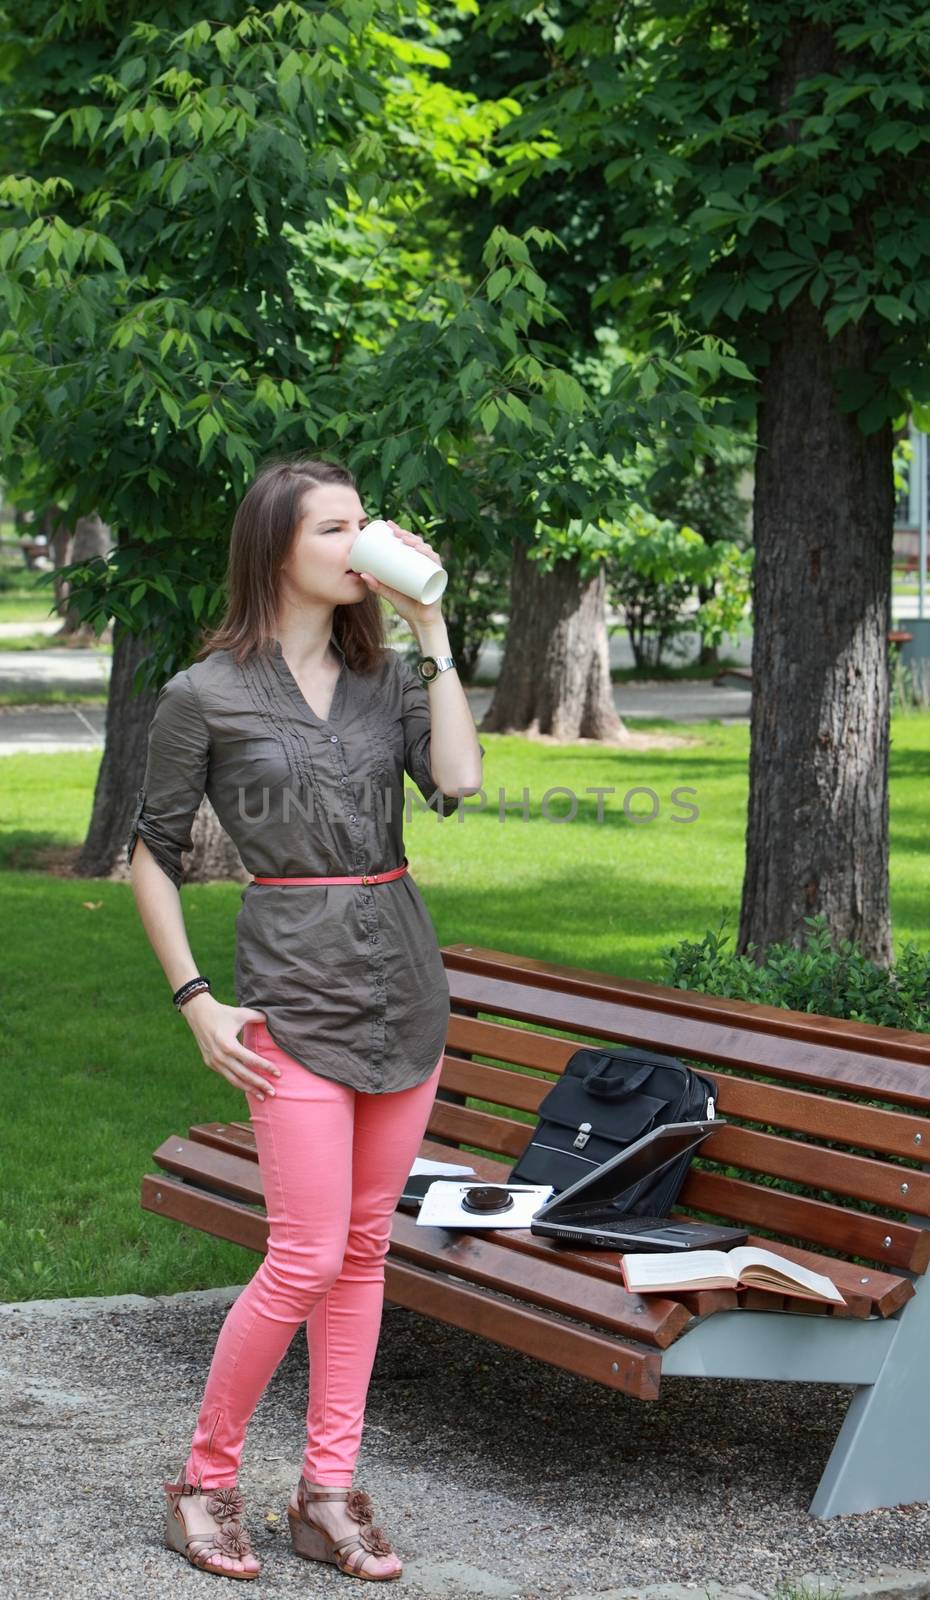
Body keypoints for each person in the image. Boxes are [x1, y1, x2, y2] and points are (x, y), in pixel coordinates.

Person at [128, 456, 485, 1581]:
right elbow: (152, 852)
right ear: (279, 546)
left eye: (364, 525)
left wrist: (431, 625)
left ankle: (325, 1492)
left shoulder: (388, 679)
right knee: (304, 1253)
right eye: (339, 528)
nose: (359, 542)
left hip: (403, 981)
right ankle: (205, 1479)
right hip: (289, 985)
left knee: (364, 1249)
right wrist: (195, 999)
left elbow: (461, 780)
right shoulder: (204, 694)